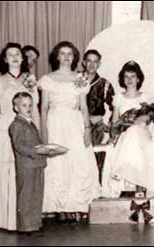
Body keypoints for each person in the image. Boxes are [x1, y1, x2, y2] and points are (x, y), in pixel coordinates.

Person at [38, 41, 100, 224]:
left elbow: (83, 106)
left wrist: (87, 129)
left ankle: (76, 206)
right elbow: (43, 109)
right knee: (57, 164)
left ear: (74, 58)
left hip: (75, 123)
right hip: (55, 122)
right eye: (63, 53)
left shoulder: (80, 78)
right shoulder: (48, 79)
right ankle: (59, 208)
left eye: (70, 54)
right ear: (57, 56)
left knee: (78, 162)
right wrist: (44, 133)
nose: (66, 57)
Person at [0, 43, 40, 231]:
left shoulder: (30, 80)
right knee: (2, 173)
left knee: (22, 174)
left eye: (18, 54)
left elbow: (35, 110)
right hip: (3, 129)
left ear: (23, 58)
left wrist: (38, 135)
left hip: (25, 129)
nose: (15, 57)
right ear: (5, 59)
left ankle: (20, 220)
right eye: (10, 54)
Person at [101, 61, 154, 198]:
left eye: (133, 76)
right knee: (130, 133)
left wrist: (141, 121)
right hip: (125, 134)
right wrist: (112, 137)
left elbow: (150, 120)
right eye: (126, 76)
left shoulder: (145, 97)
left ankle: (118, 173)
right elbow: (115, 123)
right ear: (122, 79)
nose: (130, 80)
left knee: (135, 131)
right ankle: (138, 184)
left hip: (142, 133)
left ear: (138, 79)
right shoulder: (118, 98)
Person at [9, 92, 47, 234]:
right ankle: (25, 225)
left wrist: (44, 151)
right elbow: (19, 146)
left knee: (37, 194)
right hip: (26, 165)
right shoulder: (16, 124)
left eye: (30, 105)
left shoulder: (30, 123)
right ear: (15, 107)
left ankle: (35, 222)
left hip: (37, 163)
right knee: (25, 195)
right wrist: (36, 151)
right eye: (24, 105)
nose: (28, 108)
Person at [82, 49, 115, 145]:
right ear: (84, 62)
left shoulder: (105, 84)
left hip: (95, 129)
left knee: (92, 156)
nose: (92, 65)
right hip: (76, 125)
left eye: (95, 62)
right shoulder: (75, 79)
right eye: (89, 61)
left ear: (99, 64)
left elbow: (115, 107)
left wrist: (108, 124)